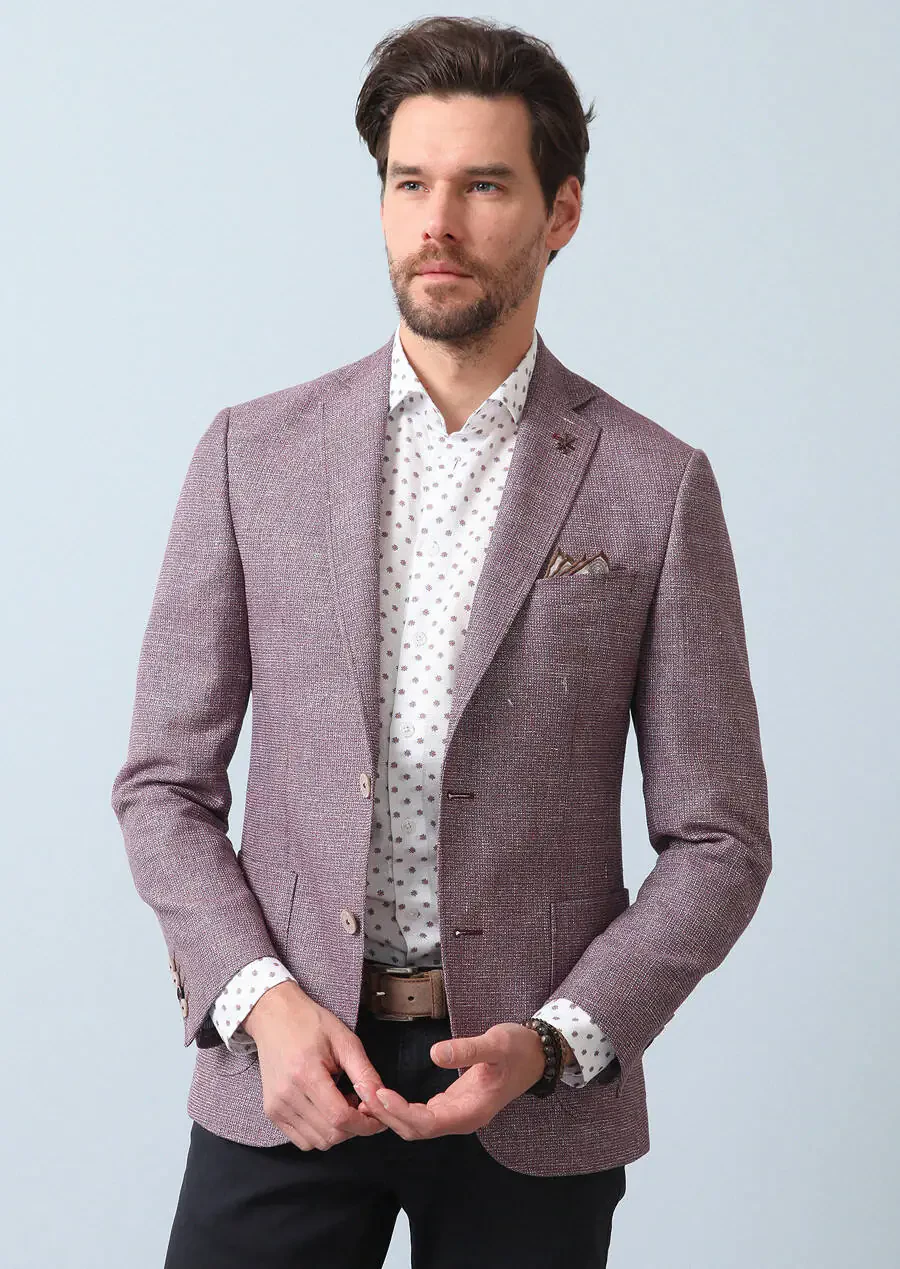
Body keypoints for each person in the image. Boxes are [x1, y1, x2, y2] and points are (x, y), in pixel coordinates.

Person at [111, 15, 772, 1269]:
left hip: (531, 1093)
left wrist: (560, 1040)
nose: (438, 222)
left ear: (561, 212)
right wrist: (262, 1002)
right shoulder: (254, 456)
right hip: (289, 1069)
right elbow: (163, 785)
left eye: (485, 186)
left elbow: (720, 840)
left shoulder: (655, 486)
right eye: (410, 183)